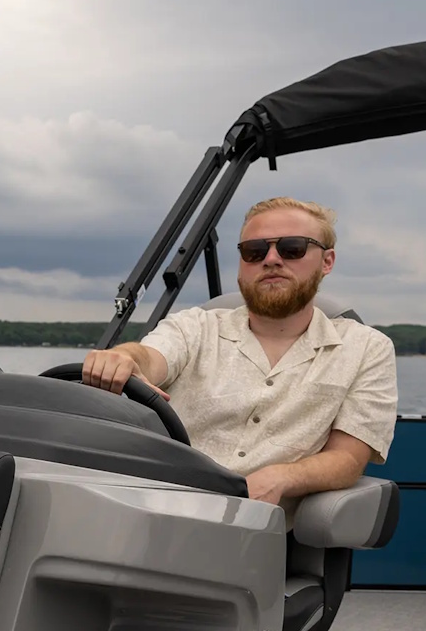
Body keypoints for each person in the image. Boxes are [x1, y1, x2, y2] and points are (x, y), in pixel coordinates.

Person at [81, 197, 397, 508]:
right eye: (254, 251)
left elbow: (348, 458)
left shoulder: (367, 348)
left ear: (327, 261)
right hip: (158, 506)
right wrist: (123, 358)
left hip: (259, 527)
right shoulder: (193, 327)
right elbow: (149, 358)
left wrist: (280, 478)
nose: (271, 259)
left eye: (292, 249)